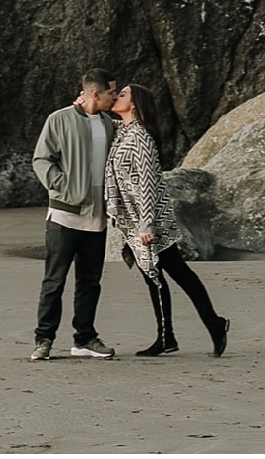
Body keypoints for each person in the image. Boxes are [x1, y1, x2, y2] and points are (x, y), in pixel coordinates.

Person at [103, 82, 230, 358]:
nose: (116, 97)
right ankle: (195, 329)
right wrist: (84, 104)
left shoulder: (141, 137)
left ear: (134, 104)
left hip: (149, 220)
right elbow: (99, 118)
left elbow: (148, 183)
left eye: (122, 94)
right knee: (171, 273)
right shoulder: (123, 132)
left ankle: (176, 334)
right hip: (137, 219)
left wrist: (146, 225)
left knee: (160, 275)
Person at [29, 69, 120, 361]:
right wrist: (62, 187)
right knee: (54, 281)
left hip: (97, 217)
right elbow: (42, 159)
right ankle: (43, 340)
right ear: (96, 93)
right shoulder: (59, 119)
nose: (115, 97)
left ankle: (85, 338)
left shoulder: (109, 124)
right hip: (64, 216)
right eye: (111, 93)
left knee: (90, 281)